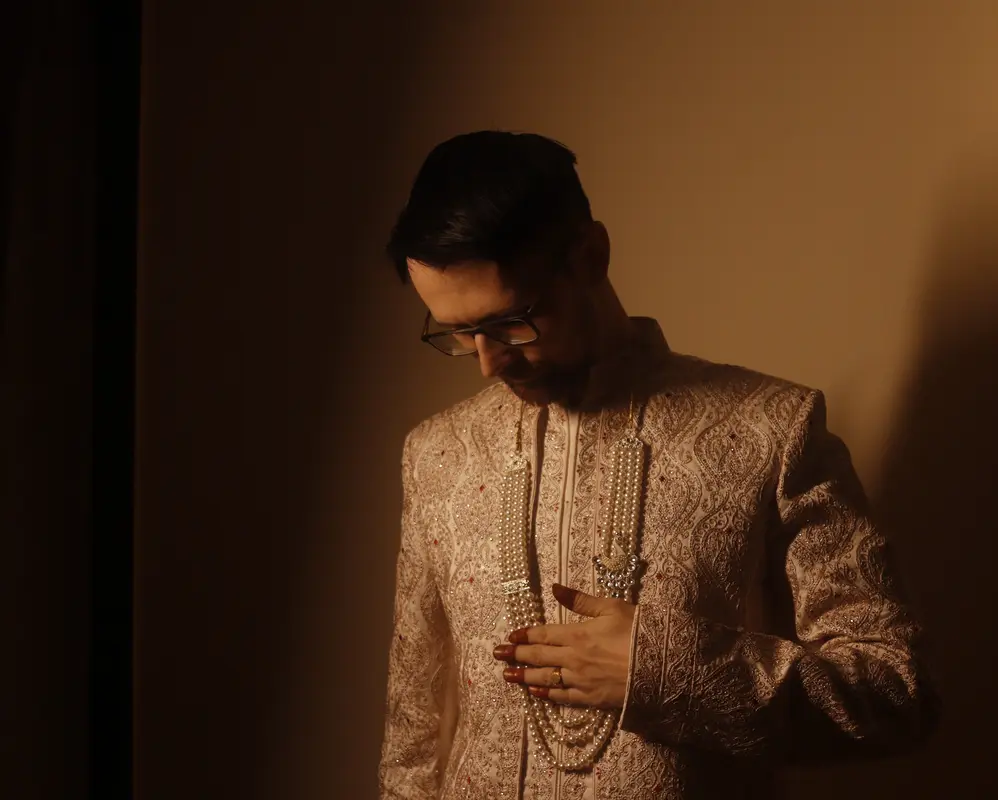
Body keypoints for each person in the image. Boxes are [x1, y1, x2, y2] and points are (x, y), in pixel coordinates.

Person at [379, 131, 938, 800]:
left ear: (590, 256)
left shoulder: (770, 428)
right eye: (457, 332)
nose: (487, 362)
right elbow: (412, 738)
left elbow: (895, 694)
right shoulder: (436, 453)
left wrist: (669, 671)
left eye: (509, 323)